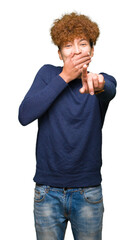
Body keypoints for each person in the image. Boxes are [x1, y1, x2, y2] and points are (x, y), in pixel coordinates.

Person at [18, 12, 117, 240]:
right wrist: (64, 77)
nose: (75, 50)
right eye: (68, 45)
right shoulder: (47, 75)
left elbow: (109, 87)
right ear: (60, 53)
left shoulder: (99, 80)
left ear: (92, 51)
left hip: (88, 193)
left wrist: (99, 82)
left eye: (82, 43)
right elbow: (24, 115)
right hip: (47, 192)